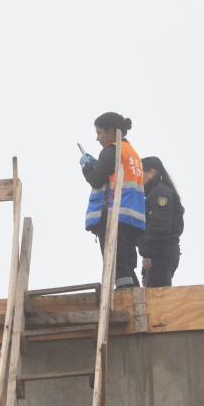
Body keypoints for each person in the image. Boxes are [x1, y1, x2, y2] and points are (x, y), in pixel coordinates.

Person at [80, 112, 145, 288]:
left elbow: (96, 180)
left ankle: (125, 296)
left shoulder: (112, 150)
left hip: (114, 213)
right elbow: (114, 177)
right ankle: (133, 293)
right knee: (127, 263)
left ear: (111, 131)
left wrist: (86, 167)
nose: (97, 138)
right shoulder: (131, 153)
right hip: (133, 217)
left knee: (116, 262)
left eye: (100, 133)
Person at [139, 156, 184, 287]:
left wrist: (148, 253)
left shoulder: (160, 193)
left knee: (158, 299)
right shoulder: (155, 192)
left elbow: (160, 225)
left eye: (140, 172)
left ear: (152, 172)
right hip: (160, 254)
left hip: (160, 255)